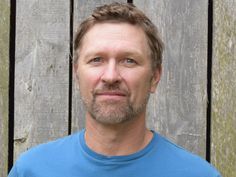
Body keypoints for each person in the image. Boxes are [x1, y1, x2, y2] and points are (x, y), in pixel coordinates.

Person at [9, 2, 221, 177]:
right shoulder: (32, 170)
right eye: (96, 60)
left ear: (155, 77)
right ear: (76, 73)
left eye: (129, 61)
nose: (110, 76)